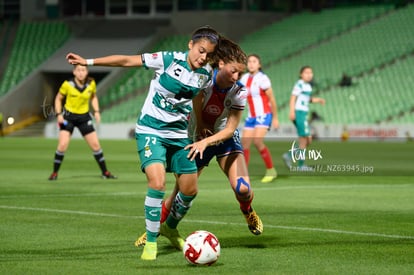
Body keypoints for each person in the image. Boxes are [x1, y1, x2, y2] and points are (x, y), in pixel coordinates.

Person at [66, 26, 220, 261]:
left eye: (208, 54)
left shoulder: (206, 74)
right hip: (152, 130)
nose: (203, 57)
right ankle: (151, 240)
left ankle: (169, 227)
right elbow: (127, 60)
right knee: (157, 183)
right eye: (200, 51)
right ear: (190, 45)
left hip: (179, 136)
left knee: (190, 189)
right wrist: (88, 61)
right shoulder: (167, 60)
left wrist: (199, 126)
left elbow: (199, 97)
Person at [134, 37, 263, 248]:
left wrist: (208, 140)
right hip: (196, 140)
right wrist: (200, 129)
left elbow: (230, 129)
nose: (237, 77)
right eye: (234, 71)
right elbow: (194, 101)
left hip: (224, 140)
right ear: (221, 63)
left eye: (241, 73)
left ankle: (247, 211)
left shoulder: (239, 91)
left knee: (242, 189)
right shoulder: (201, 79)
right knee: (180, 191)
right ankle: (156, 230)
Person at [48, 64, 117, 181]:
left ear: (87, 72)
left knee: (96, 146)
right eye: (78, 70)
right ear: (74, 72)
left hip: (84, 117)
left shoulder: (91, 83)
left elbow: (93, 97)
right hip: (68, 117)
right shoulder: (67, 84)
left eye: (83, 70)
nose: (81, 72)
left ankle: (105, 172)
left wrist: (96, 111)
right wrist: (59, 115)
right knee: (62, 145)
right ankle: (54, 173)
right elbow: (58, 98)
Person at [240, 54, 279, 183]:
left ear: (259, 65)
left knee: (257, 141)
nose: (251, 64)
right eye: (249, 61)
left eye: (254, 61)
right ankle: (244, 175)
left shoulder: (263, 79)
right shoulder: (244, 78)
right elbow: (240, 96)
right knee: (244, 144)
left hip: (264, 114)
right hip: (251, 116)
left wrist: (275, 118)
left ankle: (271, 170)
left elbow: (272, 99)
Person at [283, 65, 325, 170]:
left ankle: (288, 156)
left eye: (310, 73)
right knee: (304, 140)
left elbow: (308, 99)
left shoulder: (308, 86)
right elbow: (293, 98)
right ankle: (301, 165)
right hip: (299, 113)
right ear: (301, 74)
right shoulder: (300, 84)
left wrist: (318, 100)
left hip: (303, 114)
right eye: (306, 72)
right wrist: (292, 111)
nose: (309, 74)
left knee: (308, 140)